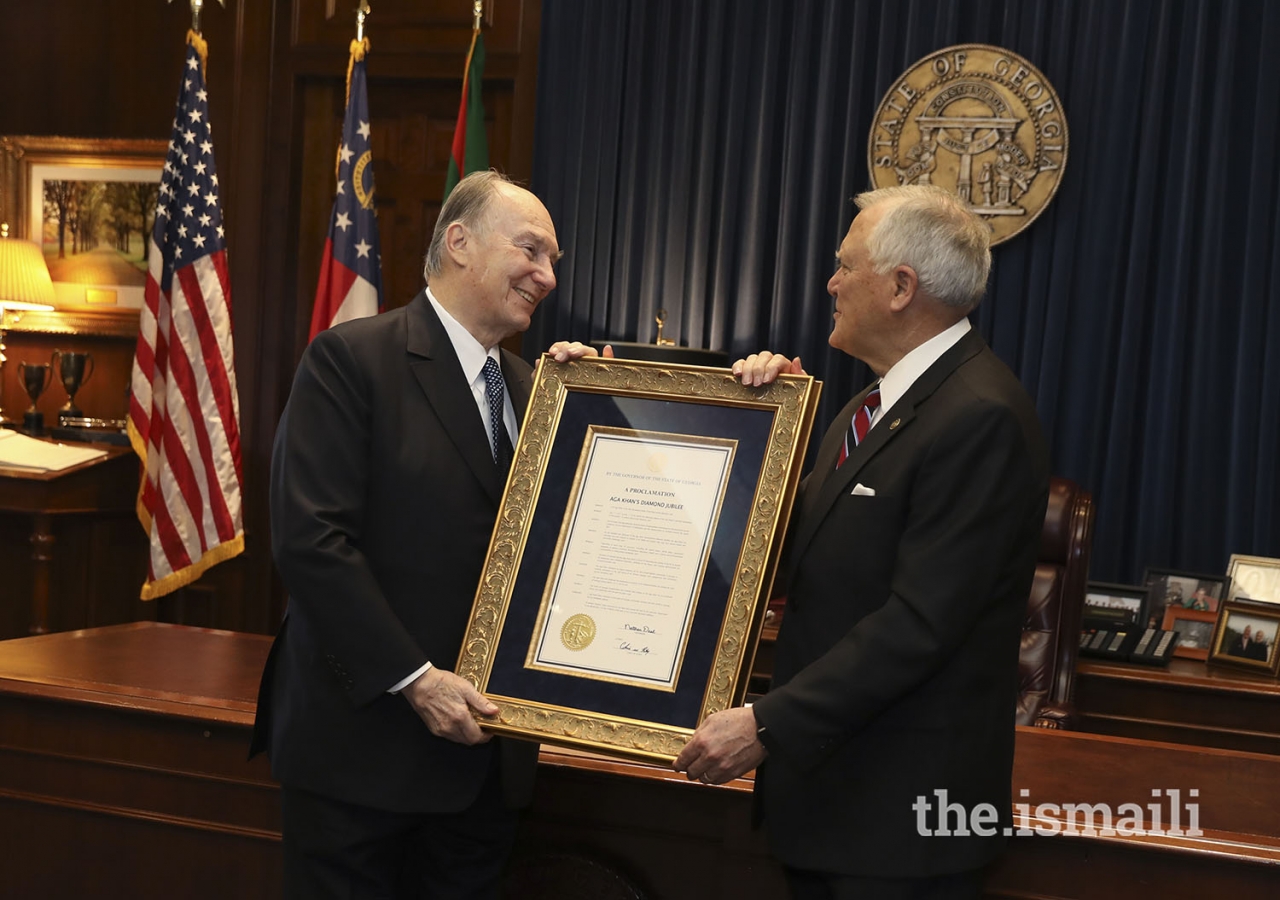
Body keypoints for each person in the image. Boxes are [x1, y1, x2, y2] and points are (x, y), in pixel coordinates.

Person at [673, 184, 1051, 899]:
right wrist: (750, 425)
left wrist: (768, 722)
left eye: (847, 265)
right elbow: (779, 558)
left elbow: (921, 624)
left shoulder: (980, 417)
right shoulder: (868, 406)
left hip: (900, 827)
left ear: (902, 287)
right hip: (834, 805)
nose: (831, 282)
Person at [251, 170, 566, 899]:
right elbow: (311, 542)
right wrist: (416, 680)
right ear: (459, 242)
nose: (547, 275)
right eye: (531, 250)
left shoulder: (534, 390)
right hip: (363, 756)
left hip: (485, 768)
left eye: (553, 260)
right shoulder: (352, 360)